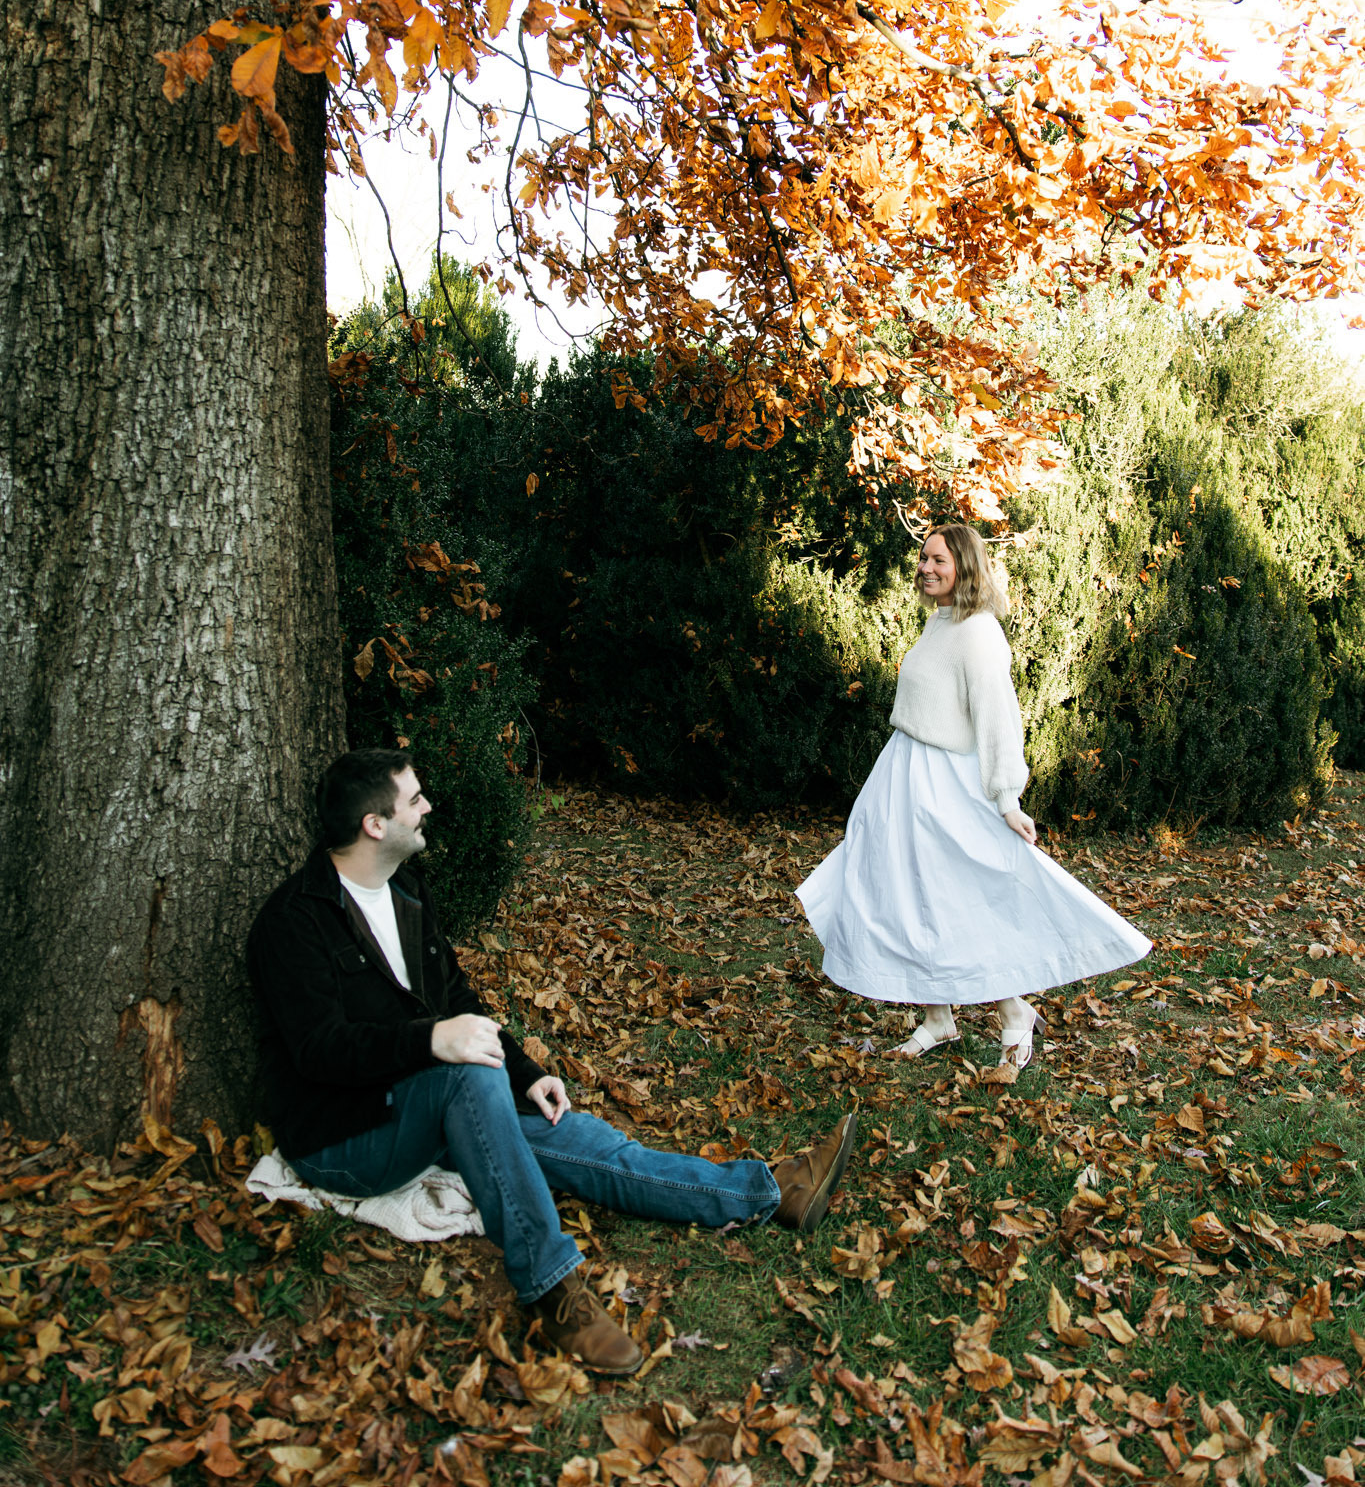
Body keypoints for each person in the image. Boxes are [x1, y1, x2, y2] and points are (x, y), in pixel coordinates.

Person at [248, 747, 858, 1375]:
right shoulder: (296, 921)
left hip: (429, 1099)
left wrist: (526, 1073)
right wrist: (431, 1043)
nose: (428, 806)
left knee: (584, 1139)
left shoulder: (404, 889)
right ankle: (552, 1288)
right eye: (414, 799)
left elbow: (457, 999)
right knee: (464, 1080)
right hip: (347, 1137)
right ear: (375, 825)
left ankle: (769, 1189)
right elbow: (319, 1052)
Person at [797, 523, 1151, 1065]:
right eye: (923, 558)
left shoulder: (980, 632)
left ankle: (1013, 1009)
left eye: (939, 559)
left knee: (949, 896)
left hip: (943, 785)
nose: (926, 568)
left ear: (964, 565)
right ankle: (938, 1020)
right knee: (904, 894)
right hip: (902, 775)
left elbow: (997, 719)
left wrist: (1007, 797)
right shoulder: (941, 621)